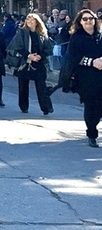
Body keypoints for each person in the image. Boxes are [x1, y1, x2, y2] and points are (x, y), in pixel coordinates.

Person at [61, 9, 102, 147]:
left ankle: (94, 124)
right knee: (91, 105)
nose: (88, 21)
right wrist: (92, 62)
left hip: (100, 75)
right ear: (80, 22)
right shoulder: (76, 37)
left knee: (99, 107)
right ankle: (91, 134)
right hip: (85, 77)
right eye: (85, 19)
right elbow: (74, 57)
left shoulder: (99, 35)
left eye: (91, 18)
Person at [7, 13, 54, 115]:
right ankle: (24, 107)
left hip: (39, 63)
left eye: (32, 20)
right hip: (25, 63)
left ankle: (46, 108)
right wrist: (29, 55)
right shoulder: (22, 32)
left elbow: (48, 48)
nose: (30, 22)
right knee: (23, 86)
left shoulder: (42, 33)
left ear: (37, 22)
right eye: (28, 20)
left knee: (41, 86)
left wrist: (40, 56)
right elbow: (16, 47)